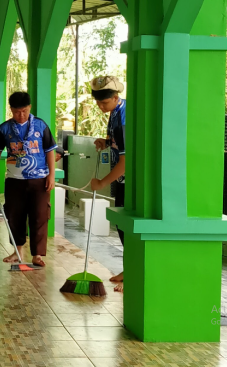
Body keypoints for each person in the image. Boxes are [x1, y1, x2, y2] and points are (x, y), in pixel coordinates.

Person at [0, 92, 57, 267]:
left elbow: (50, 150)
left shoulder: (41, 126)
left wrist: (51, 175)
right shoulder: (4, 129)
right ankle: (17, 251)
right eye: (17, 111)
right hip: (14, 180)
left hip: (40, 179)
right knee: (15, 215)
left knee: (40, 215)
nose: (21, 115)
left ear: (30, 108)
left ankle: (37, 255)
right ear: (11, 110)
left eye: (24, 111)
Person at [88, 76, 126, 291]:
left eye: (104, 102)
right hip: (121, 180)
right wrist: (106, 141)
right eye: (98, 103)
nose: (101, 107)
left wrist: (102, 183)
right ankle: (129, 268)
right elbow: (118, 143)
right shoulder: (115, 113)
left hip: (131, 181)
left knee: (128, 227)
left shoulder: (124, 116)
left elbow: (126, 162)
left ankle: (134, 273)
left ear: (116, 97)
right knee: (122, 226)